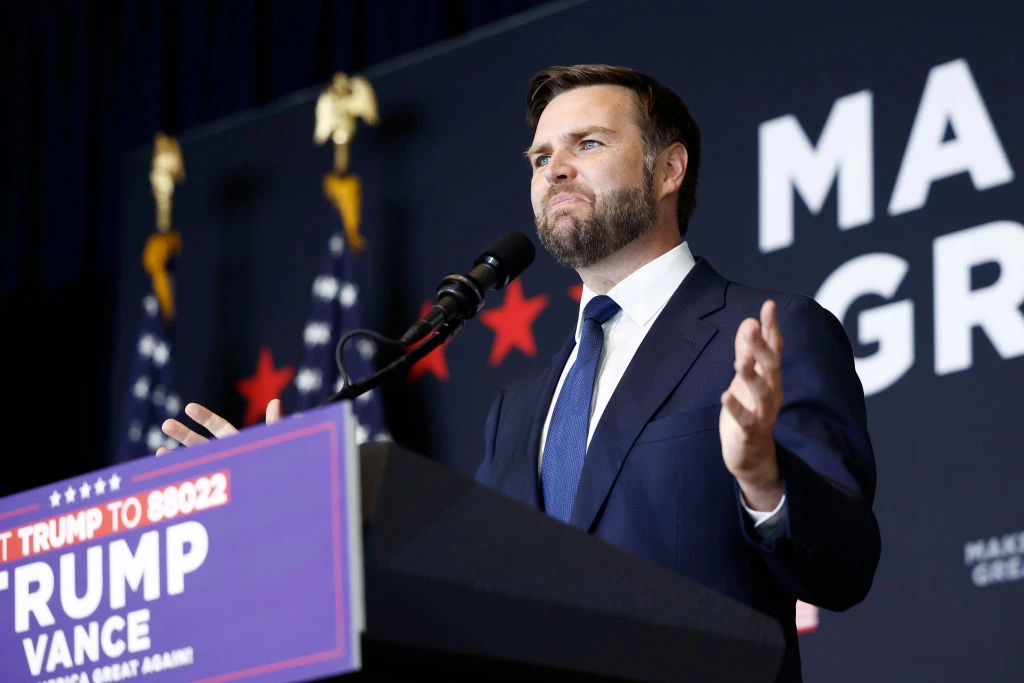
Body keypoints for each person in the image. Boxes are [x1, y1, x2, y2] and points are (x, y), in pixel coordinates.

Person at [160, 64, 880, 683]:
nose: (554, 168)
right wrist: (288, 509)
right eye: (539, 158)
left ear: (669, 169)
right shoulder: (519, 410)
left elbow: (844, 567)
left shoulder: (765, 330)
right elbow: (455, 592)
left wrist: (762, 478)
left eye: (588, 144)